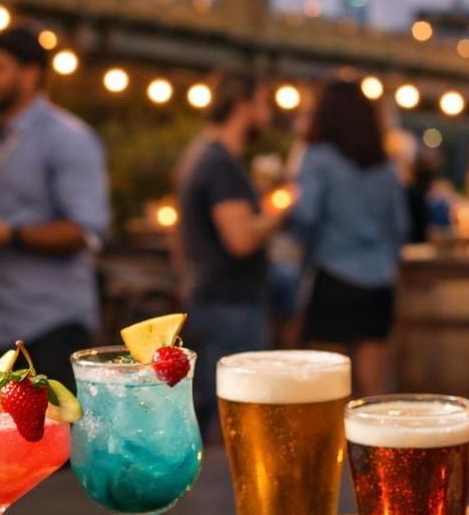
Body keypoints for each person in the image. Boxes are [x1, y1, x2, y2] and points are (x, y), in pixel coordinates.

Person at [0, 27, 109, 386]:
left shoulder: (69, 139)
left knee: (50, 439)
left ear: (30, 74)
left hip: (50, 320)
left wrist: (8, 234)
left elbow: (85, 231)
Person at [286, 78, 409, 398]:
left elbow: (307, 216)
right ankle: (378, 449)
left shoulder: (317, 156)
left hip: (334, 278)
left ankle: (331, 450)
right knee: (372, 384)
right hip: (379, 283)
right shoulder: (384, 164)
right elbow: (400, 226)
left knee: (326, 387)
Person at [174, 69, 283, 428]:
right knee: (237, 415)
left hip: (207, 296)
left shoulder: (198, 153)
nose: (268, 114)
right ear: (243, 105)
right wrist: (279, 212)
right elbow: (240, 240)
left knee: (212, 404)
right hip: (231, 303)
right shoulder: (219, 164)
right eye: (263, 103)